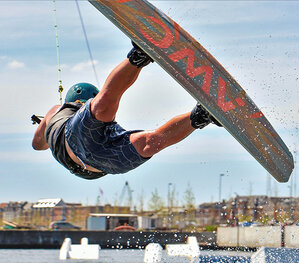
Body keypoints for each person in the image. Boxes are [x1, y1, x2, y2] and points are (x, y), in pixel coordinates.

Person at [32, 42, 220, 180]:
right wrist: (46, 127)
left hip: (101, 155)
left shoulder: (93, 119)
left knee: (143, 140)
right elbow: (37, 143)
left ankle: (200, 115)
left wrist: (47, 136)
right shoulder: (57, 111)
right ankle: (199, 116)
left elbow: (39, 145)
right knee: (143, 141)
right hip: (86, 151)